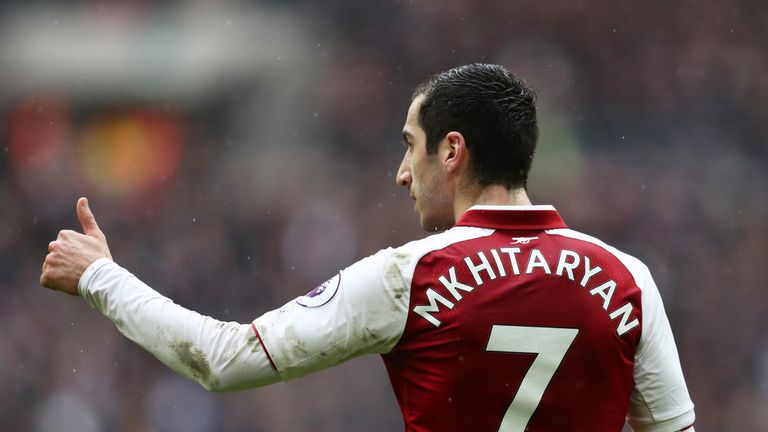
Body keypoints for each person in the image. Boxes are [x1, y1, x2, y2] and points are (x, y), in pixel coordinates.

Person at [40, 63, 695, 431]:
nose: (401, 173)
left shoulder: (410, 278)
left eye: (410, 146)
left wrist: (101, 276)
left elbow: (223, 359)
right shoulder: (626, 279)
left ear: (453, 150)